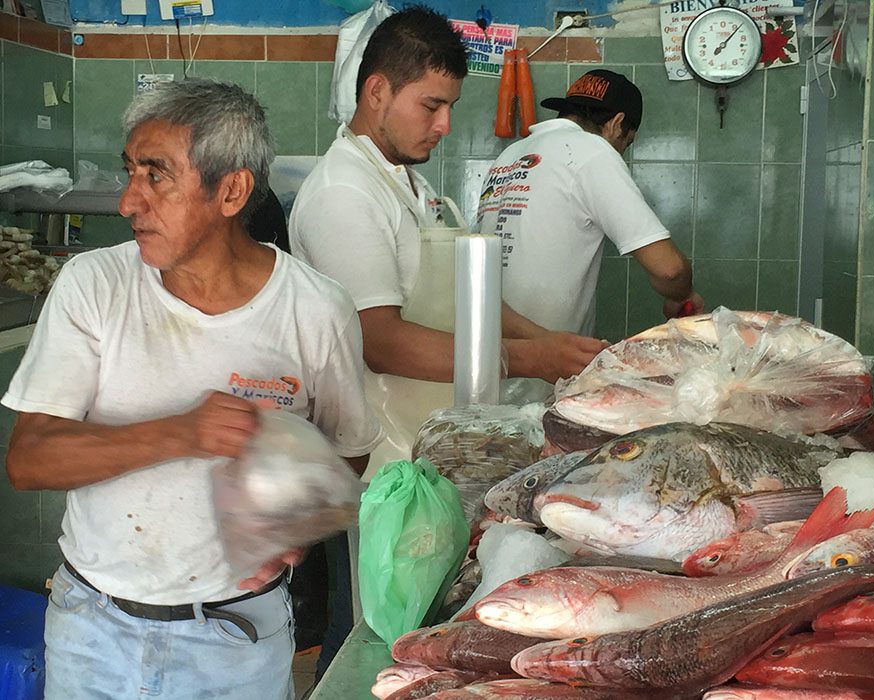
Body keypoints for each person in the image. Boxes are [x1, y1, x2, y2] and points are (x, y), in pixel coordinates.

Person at [2, 79, 382, 700]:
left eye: (157, 176)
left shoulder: (315, 308)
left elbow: (349, 453)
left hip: (238, 640)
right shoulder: (93, 285)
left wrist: (294, 520)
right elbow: (29, 458)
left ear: (230, 190)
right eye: (131, 171)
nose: (128, 201)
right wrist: (182, 432)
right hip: (92, 630)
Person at [289, 5, 606, 459]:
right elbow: (380, 342)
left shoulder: (409, 184)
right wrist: (531, 359)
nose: (445, 126)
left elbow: (473, 302)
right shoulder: (344, 192)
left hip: (438, 444)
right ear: (377, 91)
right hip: (386, 464)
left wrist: (553, 344)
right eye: (431, 106)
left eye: (450, 107)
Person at [478, 69, 704, 337]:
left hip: (487, 352)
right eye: (626, 142)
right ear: (616, 123)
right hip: (544, 364)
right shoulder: (592, 150)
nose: (621, 151)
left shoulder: (510, 154)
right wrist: (683, 295)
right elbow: (670, 270)